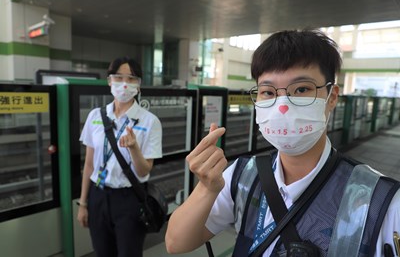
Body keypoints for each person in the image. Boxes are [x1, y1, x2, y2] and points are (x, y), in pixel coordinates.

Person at [165, 30, 400, 256]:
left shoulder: (382, 201)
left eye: (301, 89)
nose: (283, 105)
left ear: (332, 97)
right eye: (268, 92)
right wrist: (206, 188)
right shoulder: (242, 175)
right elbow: (177, 243)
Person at [77, 56, 162, 257]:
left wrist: (134, 148)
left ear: (139, 85)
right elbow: (89, 165)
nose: (124, 84)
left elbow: (144, 170)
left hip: (129, 199)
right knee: (102, 252)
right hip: (97, 196)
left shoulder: (150, 121)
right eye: (118, 77)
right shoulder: (95, 116)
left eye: (132, 78)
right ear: (109, 81)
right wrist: (83, 203)